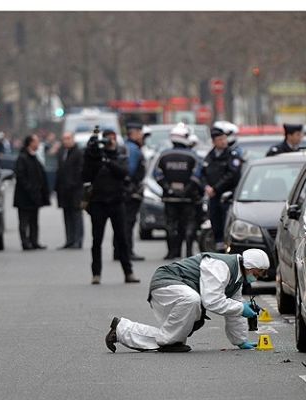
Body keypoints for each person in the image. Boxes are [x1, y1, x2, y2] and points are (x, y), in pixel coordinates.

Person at [104, 249, 270, 353]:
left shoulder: (237, 280)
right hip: (166, 282)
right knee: (190, 302)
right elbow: (212, 301)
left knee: (172, 339)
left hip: (180, 290)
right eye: (257, 273)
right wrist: (241, 308)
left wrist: (240, 341)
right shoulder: (221, 266)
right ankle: (159, 340)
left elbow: (233, 311)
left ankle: (122, 330)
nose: (257, 277)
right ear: (249, 266)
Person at [82, 129, 140, 285]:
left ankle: (128, 272)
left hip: (117, 201)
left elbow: (123, 172)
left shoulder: (120, 155)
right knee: (97, 240)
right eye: (107, 139)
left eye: (112, 139)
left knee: (122, 238)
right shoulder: (95, 157)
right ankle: (96, 274)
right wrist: (91, 150)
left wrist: (107, 159)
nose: (110, 141)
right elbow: (85, 174)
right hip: (98, 202)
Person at [155, 123, 202, 260]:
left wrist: (169, 189)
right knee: (188, 224)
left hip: (169, 199)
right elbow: (197, 176)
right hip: (188, 198)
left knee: (170, 225)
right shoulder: (193, 156)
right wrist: (186, 190)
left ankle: (172, 252)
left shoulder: (164, 155)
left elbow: (157, 175)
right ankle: (188, 252)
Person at [201, 127, 242, 252]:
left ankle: (229, 249)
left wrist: (216, 188)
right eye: (220, 139)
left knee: (227, 223)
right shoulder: (209, 156)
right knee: (215, 223)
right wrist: (206, 187)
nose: (223, 142)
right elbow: (202, 174)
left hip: (227, 195)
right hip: (213, 197)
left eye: (224, 138)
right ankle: (219, 249)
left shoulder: (231, 155)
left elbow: (232, 175)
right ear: (214, 141)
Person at [113, 122, 146, 261]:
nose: (142, 136)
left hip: (122, 191)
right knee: (128, 222)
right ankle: (126, 251)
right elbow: (130, 171)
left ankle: (118, 251)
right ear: (134, 133)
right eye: (140, 133)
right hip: (129, 192)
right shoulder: (133, 149)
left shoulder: (124, 147)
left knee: (121, 221)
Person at [13, 134, 50, 250]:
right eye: (36, 141)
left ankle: (34, 241)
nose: (38, 144)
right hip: (25, 196)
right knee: (24, 221)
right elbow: (21, 176)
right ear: (30, 143)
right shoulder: (23, 157)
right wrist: (30, 188)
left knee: (34, 220)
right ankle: (25, 242)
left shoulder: (34, 157)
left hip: (35, 196)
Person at [55, 132, 84, 249]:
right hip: (63, 191)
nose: (66, 141)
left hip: (75, 190)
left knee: (76, 215)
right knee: (67, 216)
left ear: (73, 139)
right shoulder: (62, 152)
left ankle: (78, 240)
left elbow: (80, 171)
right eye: (64, 139)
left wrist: (73, 183)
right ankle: (69, 240)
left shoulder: (78, 153)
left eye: (68, 138)